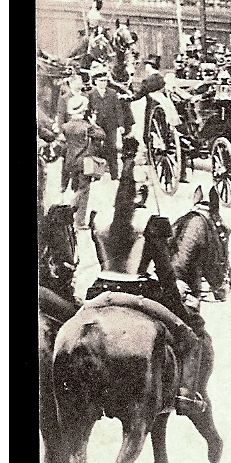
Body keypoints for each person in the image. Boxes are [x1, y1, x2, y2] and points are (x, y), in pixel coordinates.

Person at [87, 138, 210, 415]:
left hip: (99, 289)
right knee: (190, 338)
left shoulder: (99, 218)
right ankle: (186, 395)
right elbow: (166, 275)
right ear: (142, 192)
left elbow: (101, 260)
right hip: (139, 292)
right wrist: (178, 306)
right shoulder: (150, 223)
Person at [59, 90, 103, 231]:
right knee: (84, 190)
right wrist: (94, 123)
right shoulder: (87, 127)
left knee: (77, 188)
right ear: (83, 110)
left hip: (70, 162)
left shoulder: (66, 127)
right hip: (84, 162)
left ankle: (71, 215)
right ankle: (79, 221)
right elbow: (102, 135)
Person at [86, 62, 125, 180]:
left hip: (111, 125)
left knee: (112, 148)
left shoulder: (112, 93)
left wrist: (121, 125)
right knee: (96, 148)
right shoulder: (91, 94)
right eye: (101, 81)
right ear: (96, 82)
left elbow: (118, 110)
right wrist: (90, 122)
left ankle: (114, 174)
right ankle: (96, 173)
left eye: (105, 81)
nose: (103, 83)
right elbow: (87, 110)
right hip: (97, 125)